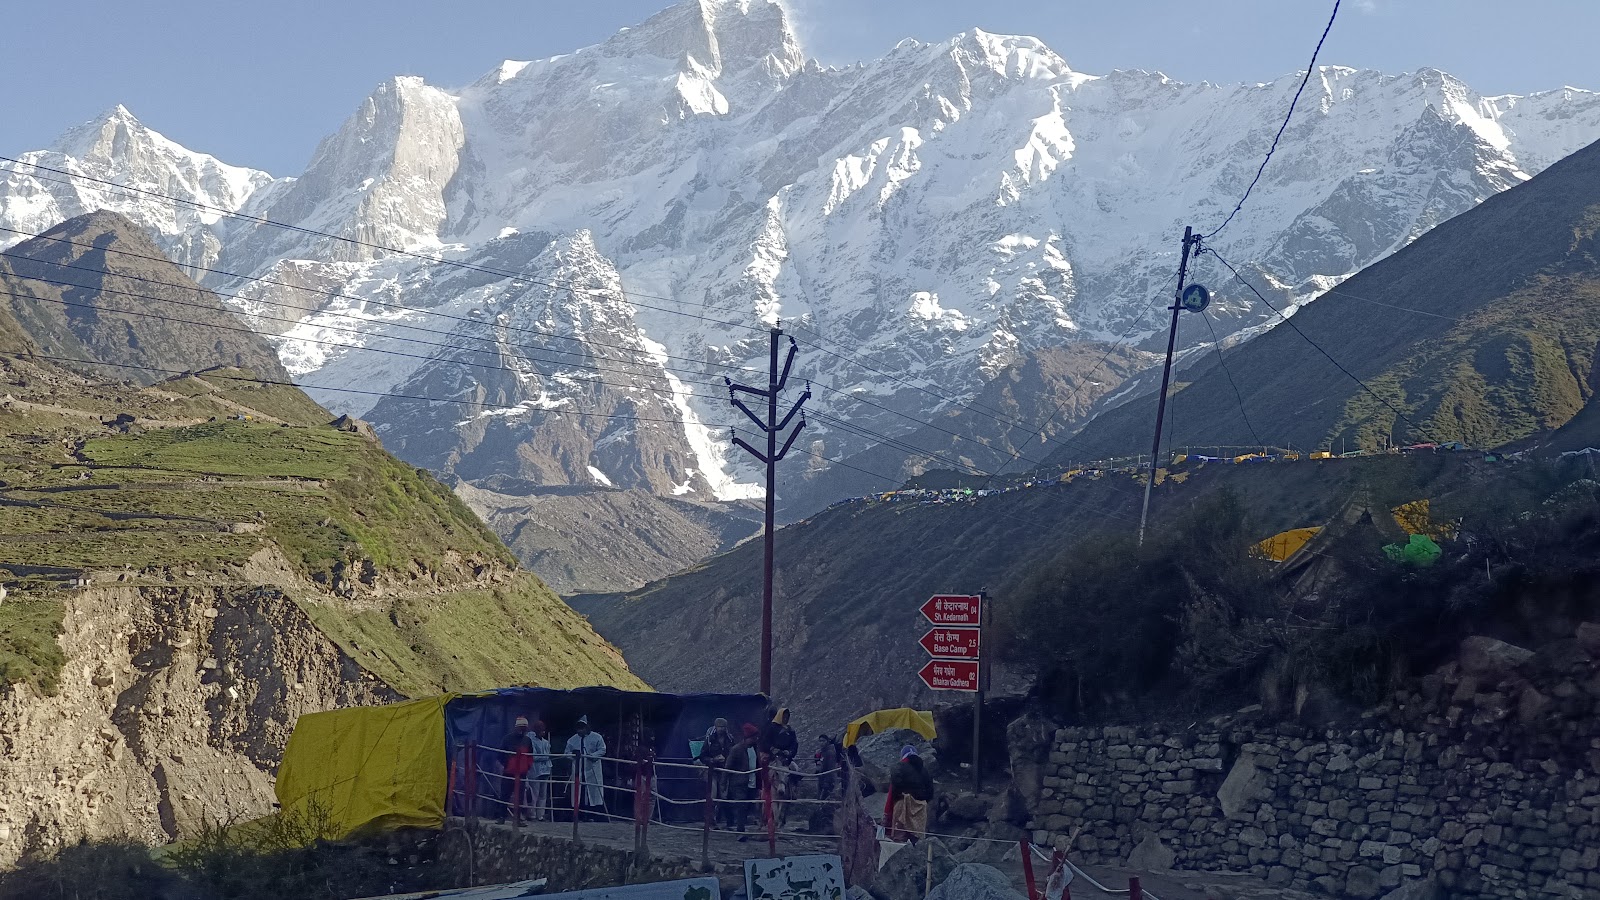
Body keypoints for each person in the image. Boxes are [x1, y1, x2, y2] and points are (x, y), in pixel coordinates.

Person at [887, 745, 934, 841]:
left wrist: (900, 796)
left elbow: (895, 787)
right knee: (917, 840)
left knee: (899, 838)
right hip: (920, 808)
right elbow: (930, 792)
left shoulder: (898, 767)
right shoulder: (925, 771)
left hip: (902, 804)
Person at [565, 715, 607, 820]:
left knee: (593, 792)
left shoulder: (597, 737)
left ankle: (593, 814)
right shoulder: (572, 740)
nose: (580, 730)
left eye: (582, 727)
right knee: (579, 791)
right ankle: (579, 814)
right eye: (579, 728)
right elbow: (566, 752)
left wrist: (592, 756)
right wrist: (573, 756)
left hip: (592, 769)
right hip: (579, 769)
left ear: (587, 727)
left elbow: (602, 749)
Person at [699, 717, 736, 826]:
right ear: (715, 727)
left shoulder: (730, 739)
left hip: (725, 771)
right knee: (712, 796)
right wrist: (713, 760)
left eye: (723, 727)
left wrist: (728, 760)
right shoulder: (710, 739)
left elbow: (734, 754)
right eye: (719, 726)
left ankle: (729, 822)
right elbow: (702, 756)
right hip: (713, 771)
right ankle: (710, 821)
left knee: (725, 796)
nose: (721, 729)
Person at [500, 716, 535, 824]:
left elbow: (530, 756)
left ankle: (517, 819)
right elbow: (501, 755)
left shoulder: (527, 740)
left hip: (522, 773)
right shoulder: (507, 739)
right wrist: (507, 765)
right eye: (520, 727)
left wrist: (527, 767)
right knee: (505, 795)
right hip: (509, 772)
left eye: (524, 727)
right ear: (516, 727)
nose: (522, 729)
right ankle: (501, 817)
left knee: (519, 797)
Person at [728, 723, 760, 836]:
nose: (756, 739)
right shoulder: (736, 749)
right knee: (741, 806)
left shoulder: (755, 748)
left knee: (747, 806)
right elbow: (728, 766)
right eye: (754, 737)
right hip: (739, 782)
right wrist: (725, 784)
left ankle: (741, 828)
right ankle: (740, 831)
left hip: (752, 782)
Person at [528, 720, 553, 821]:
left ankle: (540, 815)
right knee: (535, 793)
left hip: (545, 770)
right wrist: (546, 757)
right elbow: (533, 757)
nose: (543, 732)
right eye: (541, 730)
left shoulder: (546, 742)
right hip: (535, 770)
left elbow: (549, 754)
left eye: (543, 730)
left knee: (543, 794)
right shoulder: (531, 741)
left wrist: (547, 757)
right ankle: (532, 814)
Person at [814, 733, 841, 800]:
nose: (821, 743)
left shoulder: (830, 753)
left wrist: (827, 781)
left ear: (827, 741)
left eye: (823, 741)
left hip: (828, 779)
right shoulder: (821, 752)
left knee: (825, 799)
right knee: (820, 799)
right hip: (821, 778)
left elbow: (830, 767)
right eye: (820, 741)